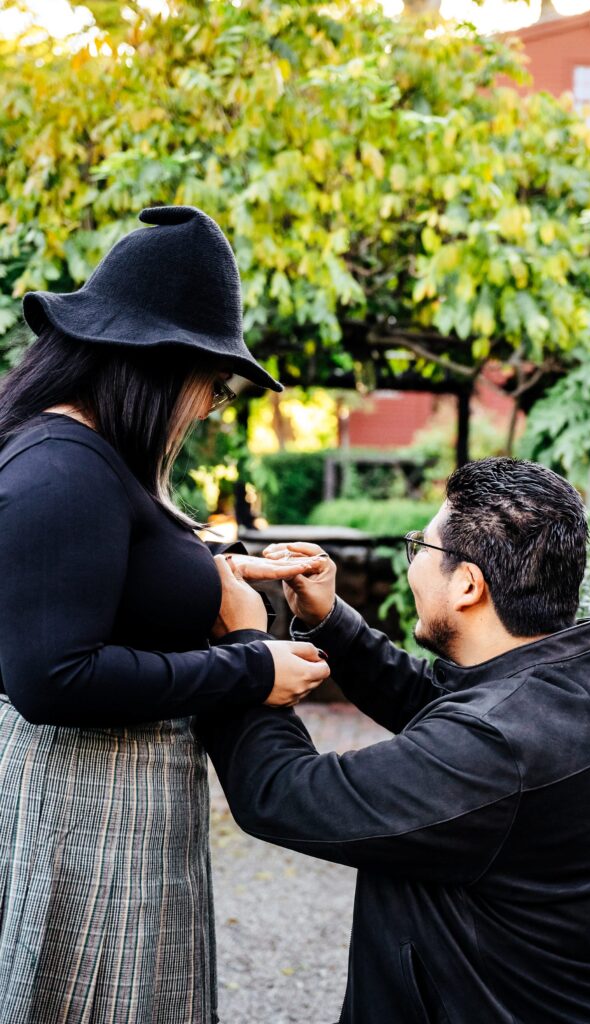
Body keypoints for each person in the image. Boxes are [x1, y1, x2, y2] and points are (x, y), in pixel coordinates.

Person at [200, 457, 590, 1024]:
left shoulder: (504, 741)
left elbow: (282, 793)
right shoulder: (567, 678)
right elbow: (437, 705)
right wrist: (329, 619)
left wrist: (246, 649)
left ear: (469, 584)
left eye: (419, 549)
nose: (412, 567)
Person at [0, 204, 330, 1024]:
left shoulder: (88, 460)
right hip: (86, 819)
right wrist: (251, 667)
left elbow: (110, 585)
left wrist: (217, 569)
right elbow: (52, 676)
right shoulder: (63, 467)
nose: (207, 407)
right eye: (211, 387)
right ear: (157, 363)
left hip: (111, 810)